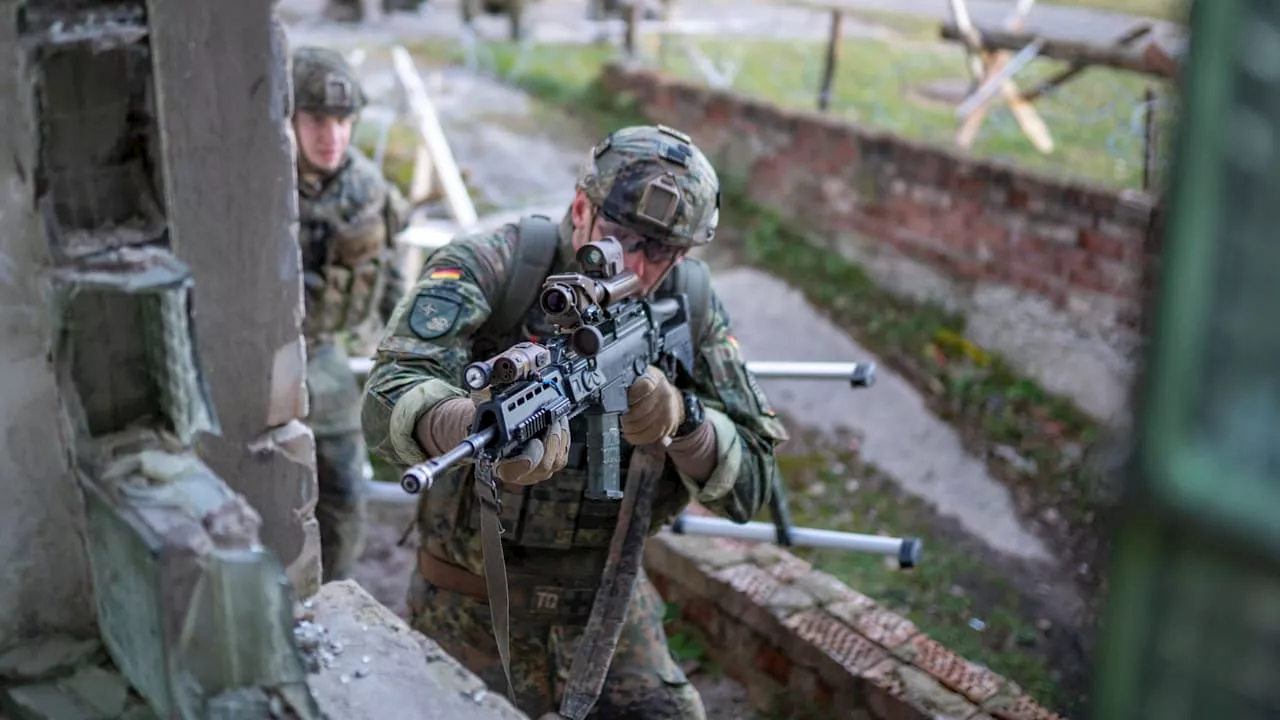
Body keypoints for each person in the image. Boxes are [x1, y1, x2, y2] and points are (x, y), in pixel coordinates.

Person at [361, 124, 788, 718]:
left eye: (660, 251)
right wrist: (465, 422)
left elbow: (755, 486)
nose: (635, 268)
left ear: (686, 254)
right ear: (581, 207)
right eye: (619, 238)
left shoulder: (688, 301)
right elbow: (386, 395)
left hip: (607, 605)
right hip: (472, 604)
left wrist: (683, 422)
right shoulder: (496, 264)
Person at [292, 46, 410, 583]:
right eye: (317, 119)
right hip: (247, 363)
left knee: (342, 489)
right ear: (289, 119)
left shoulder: (366, 190)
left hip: (323, 357)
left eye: (343, 121)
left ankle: (331, 595)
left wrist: (406, 356)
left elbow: (390, 282)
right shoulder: (255, 186)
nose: (331, 136)